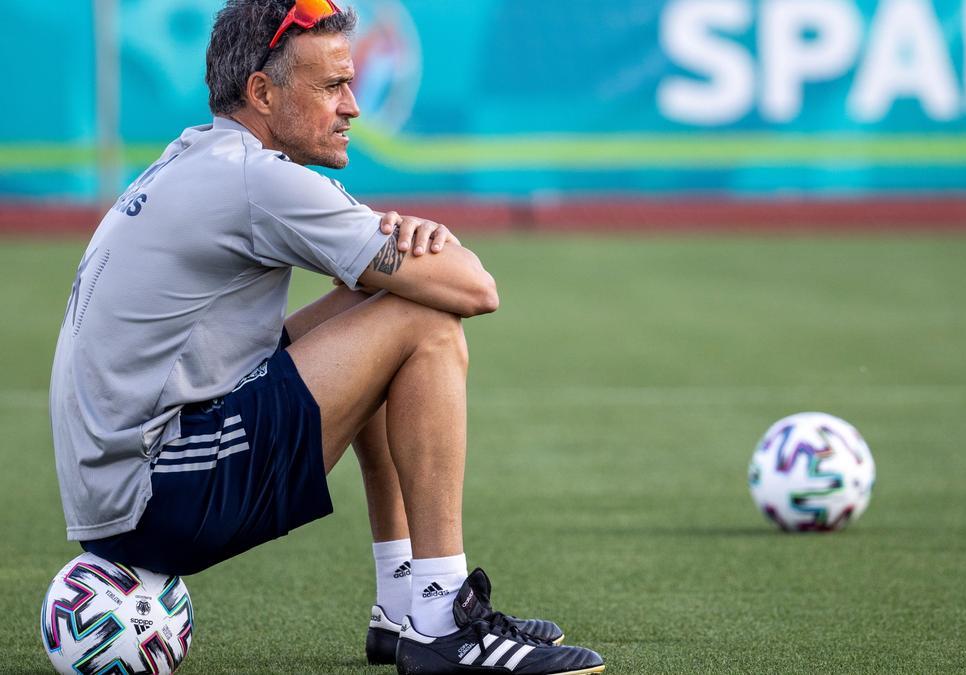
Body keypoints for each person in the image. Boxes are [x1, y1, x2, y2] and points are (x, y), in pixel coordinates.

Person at [48, 1, 604, 673]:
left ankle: (403, 603)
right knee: (423, 319)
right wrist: (430, 244)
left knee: (377, 301)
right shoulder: (257, 178)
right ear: (262, 91)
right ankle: (439, 618)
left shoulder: (196, 156)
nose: (354, 106)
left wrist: (396, 262)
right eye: (333, 85)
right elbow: (476, 289)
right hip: (159, 498)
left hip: (120, 499)